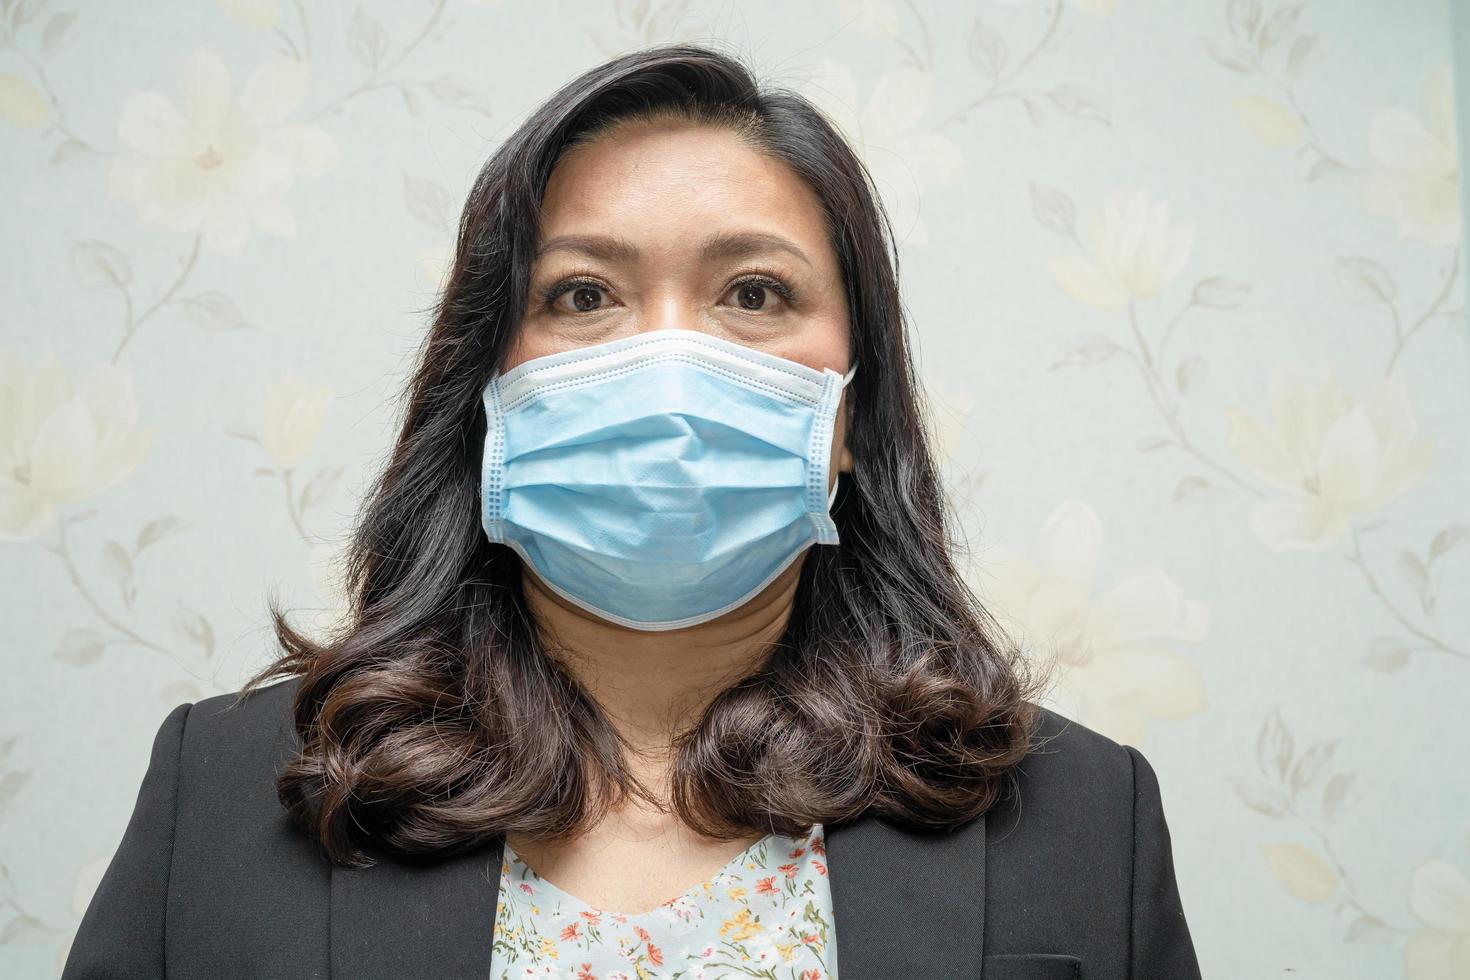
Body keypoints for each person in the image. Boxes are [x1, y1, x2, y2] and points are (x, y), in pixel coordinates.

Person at [62, 42, 1202, 980]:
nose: (669, 360)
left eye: (753, 293)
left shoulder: (1085, 816)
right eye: (583, 294)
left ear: (851, 409)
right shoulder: (219, 796)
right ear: (488, 386)